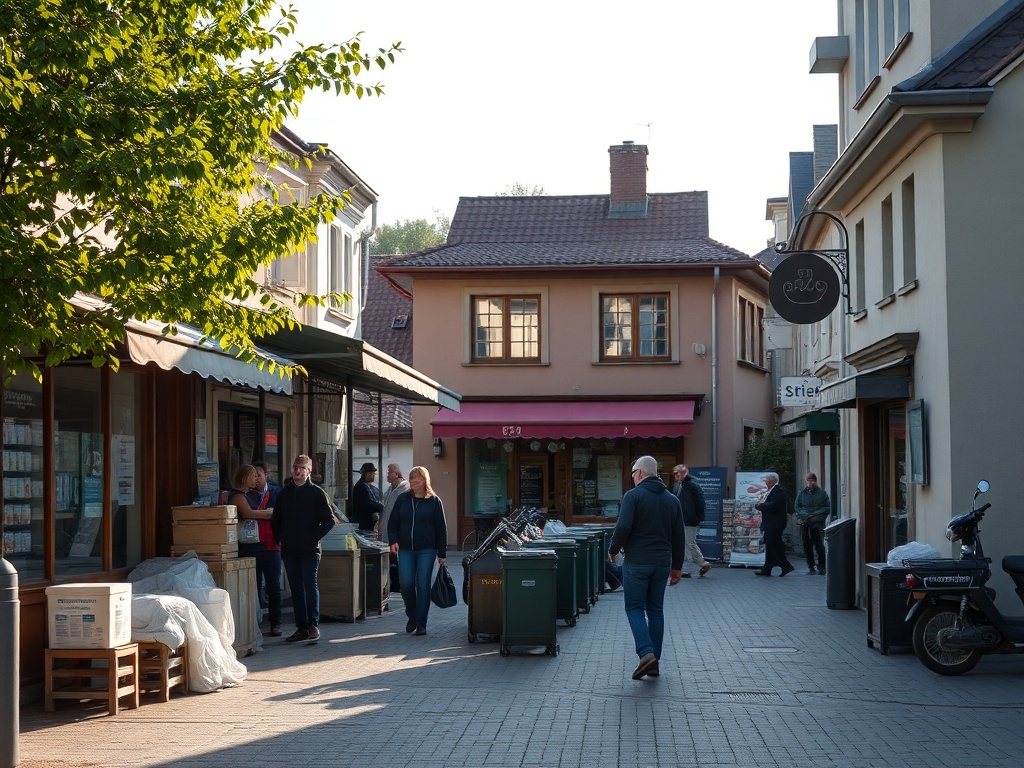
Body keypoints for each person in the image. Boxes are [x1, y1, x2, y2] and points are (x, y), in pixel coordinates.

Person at [607, 456, 685, 680]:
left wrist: (613, 549)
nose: (632, 477)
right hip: (661, 564)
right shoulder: (672, 500)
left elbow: (623, 526)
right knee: (655, 611)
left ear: (640, 473)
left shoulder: (633, 496)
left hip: (637, 562)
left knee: (634, 608)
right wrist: (676, 568)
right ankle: (654, 664)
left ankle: (646, 653)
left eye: (632, 472)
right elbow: (678, 538)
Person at [270, 454, 336, 643]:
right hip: (289, 548)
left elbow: (329, 520)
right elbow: (276, 519)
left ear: (309, 471)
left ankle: (312, 625)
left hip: (310, 550)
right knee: (296, 589)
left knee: (310, 584)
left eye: (301, 468)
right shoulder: (284, 493)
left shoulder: (316, 493)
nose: (297, 471)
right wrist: (279, 538)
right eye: (295, 468)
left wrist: (313, 538)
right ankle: (301, 628)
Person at [387, 465, 447, 636]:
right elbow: (393, 523)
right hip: (405, 549)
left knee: (423, 585)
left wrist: (441, 554)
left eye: (418, 478)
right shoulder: (403, 499)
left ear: (425, 480)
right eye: (412, 478)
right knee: (406, 584)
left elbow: (441, 528)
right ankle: (412, 614)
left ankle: (421, 623)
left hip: (427, 550)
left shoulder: (434, 501)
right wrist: (393, 541)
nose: (414, 481)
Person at [246, 460, 283, 635]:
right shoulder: (246, 494)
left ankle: (276, 622)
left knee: (273, 586)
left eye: (258, 475)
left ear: (266, 476)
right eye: (252, 475)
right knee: (254, 586)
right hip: (251, 546)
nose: (255, 479)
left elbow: (282, 514)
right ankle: (256, 623)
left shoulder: (277, 492)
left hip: (272, 545)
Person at [673, 464, 710, 578]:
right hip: (681, 519)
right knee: (684, 544)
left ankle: (702, 563)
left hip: (690, 519)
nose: (675, 476)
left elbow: (700, 502)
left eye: (677, 473)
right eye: (675, 473)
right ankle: (686, 569)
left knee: (689, 543)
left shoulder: (692, 485)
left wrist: (700, 517)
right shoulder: (679, 486)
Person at [753, 473, 794, 577]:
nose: (765, 482)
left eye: (766, 480)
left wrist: (761, 506)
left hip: (775, 523)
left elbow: (774, 505)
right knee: (770, 545)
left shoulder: (778, 492)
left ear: (772, 481)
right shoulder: (772, 491)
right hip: (771, 522)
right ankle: (767, 568)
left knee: (775, 544)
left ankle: (786, 565)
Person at [378, 463, 410, 591]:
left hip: (399, 528)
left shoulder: (404, 488)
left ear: (397, 474)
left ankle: (400, 582)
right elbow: (384, 507)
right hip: (387, 527)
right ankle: (394, 582)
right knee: (391, 557)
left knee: (398, 556)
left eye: (389, 472)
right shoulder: (390, 488)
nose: (387, 474)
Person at [794, 472, 829, 574]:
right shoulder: (801, 494)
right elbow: (797, 507)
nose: (811, 482)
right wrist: (805, 515)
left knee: (819, 545)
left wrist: (813, 515)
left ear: (815, 480)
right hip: (805, 523)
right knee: (807, 545)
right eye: (808, 480)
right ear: (806, 481)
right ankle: (811, 566)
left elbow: (826, 507)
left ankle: (822, 566)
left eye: (812, 480)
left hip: (817, 523)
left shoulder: (822, 494)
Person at [351, 462, 384, 532]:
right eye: (373, 474)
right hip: (364, 524)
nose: (374, 476)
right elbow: (367, 504)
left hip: (368, 523)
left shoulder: (365, 485)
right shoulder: (361, 486)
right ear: (367, 474)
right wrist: (380, 507)